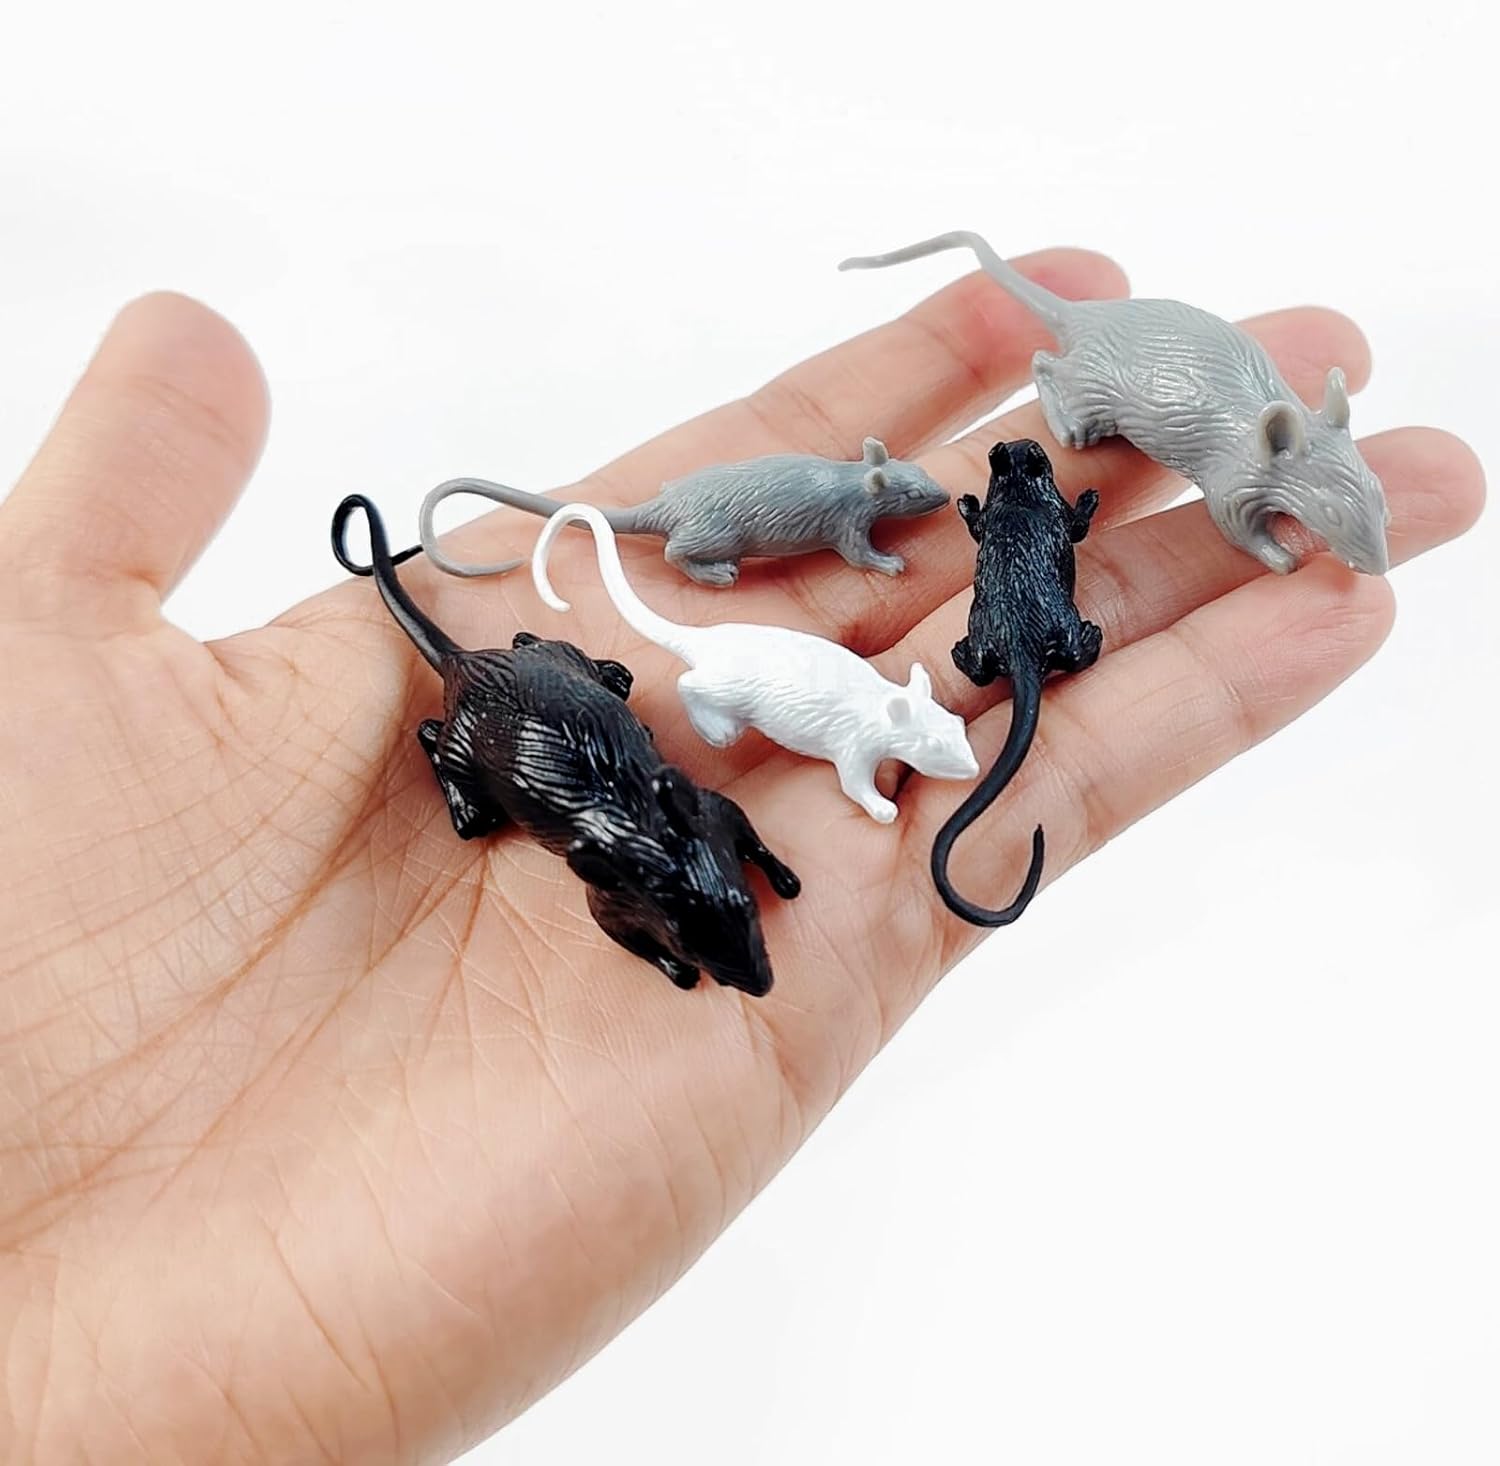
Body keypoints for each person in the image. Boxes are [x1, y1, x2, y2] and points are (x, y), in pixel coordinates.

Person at [0, 256, 1483, 1462]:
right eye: (716, 930)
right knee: (610, 718)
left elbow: (735, 803)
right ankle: (526, 724)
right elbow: (671, 850)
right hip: (646, 692)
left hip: (690, 698)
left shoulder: (745, 777)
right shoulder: (640, 860)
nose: (739, 943)